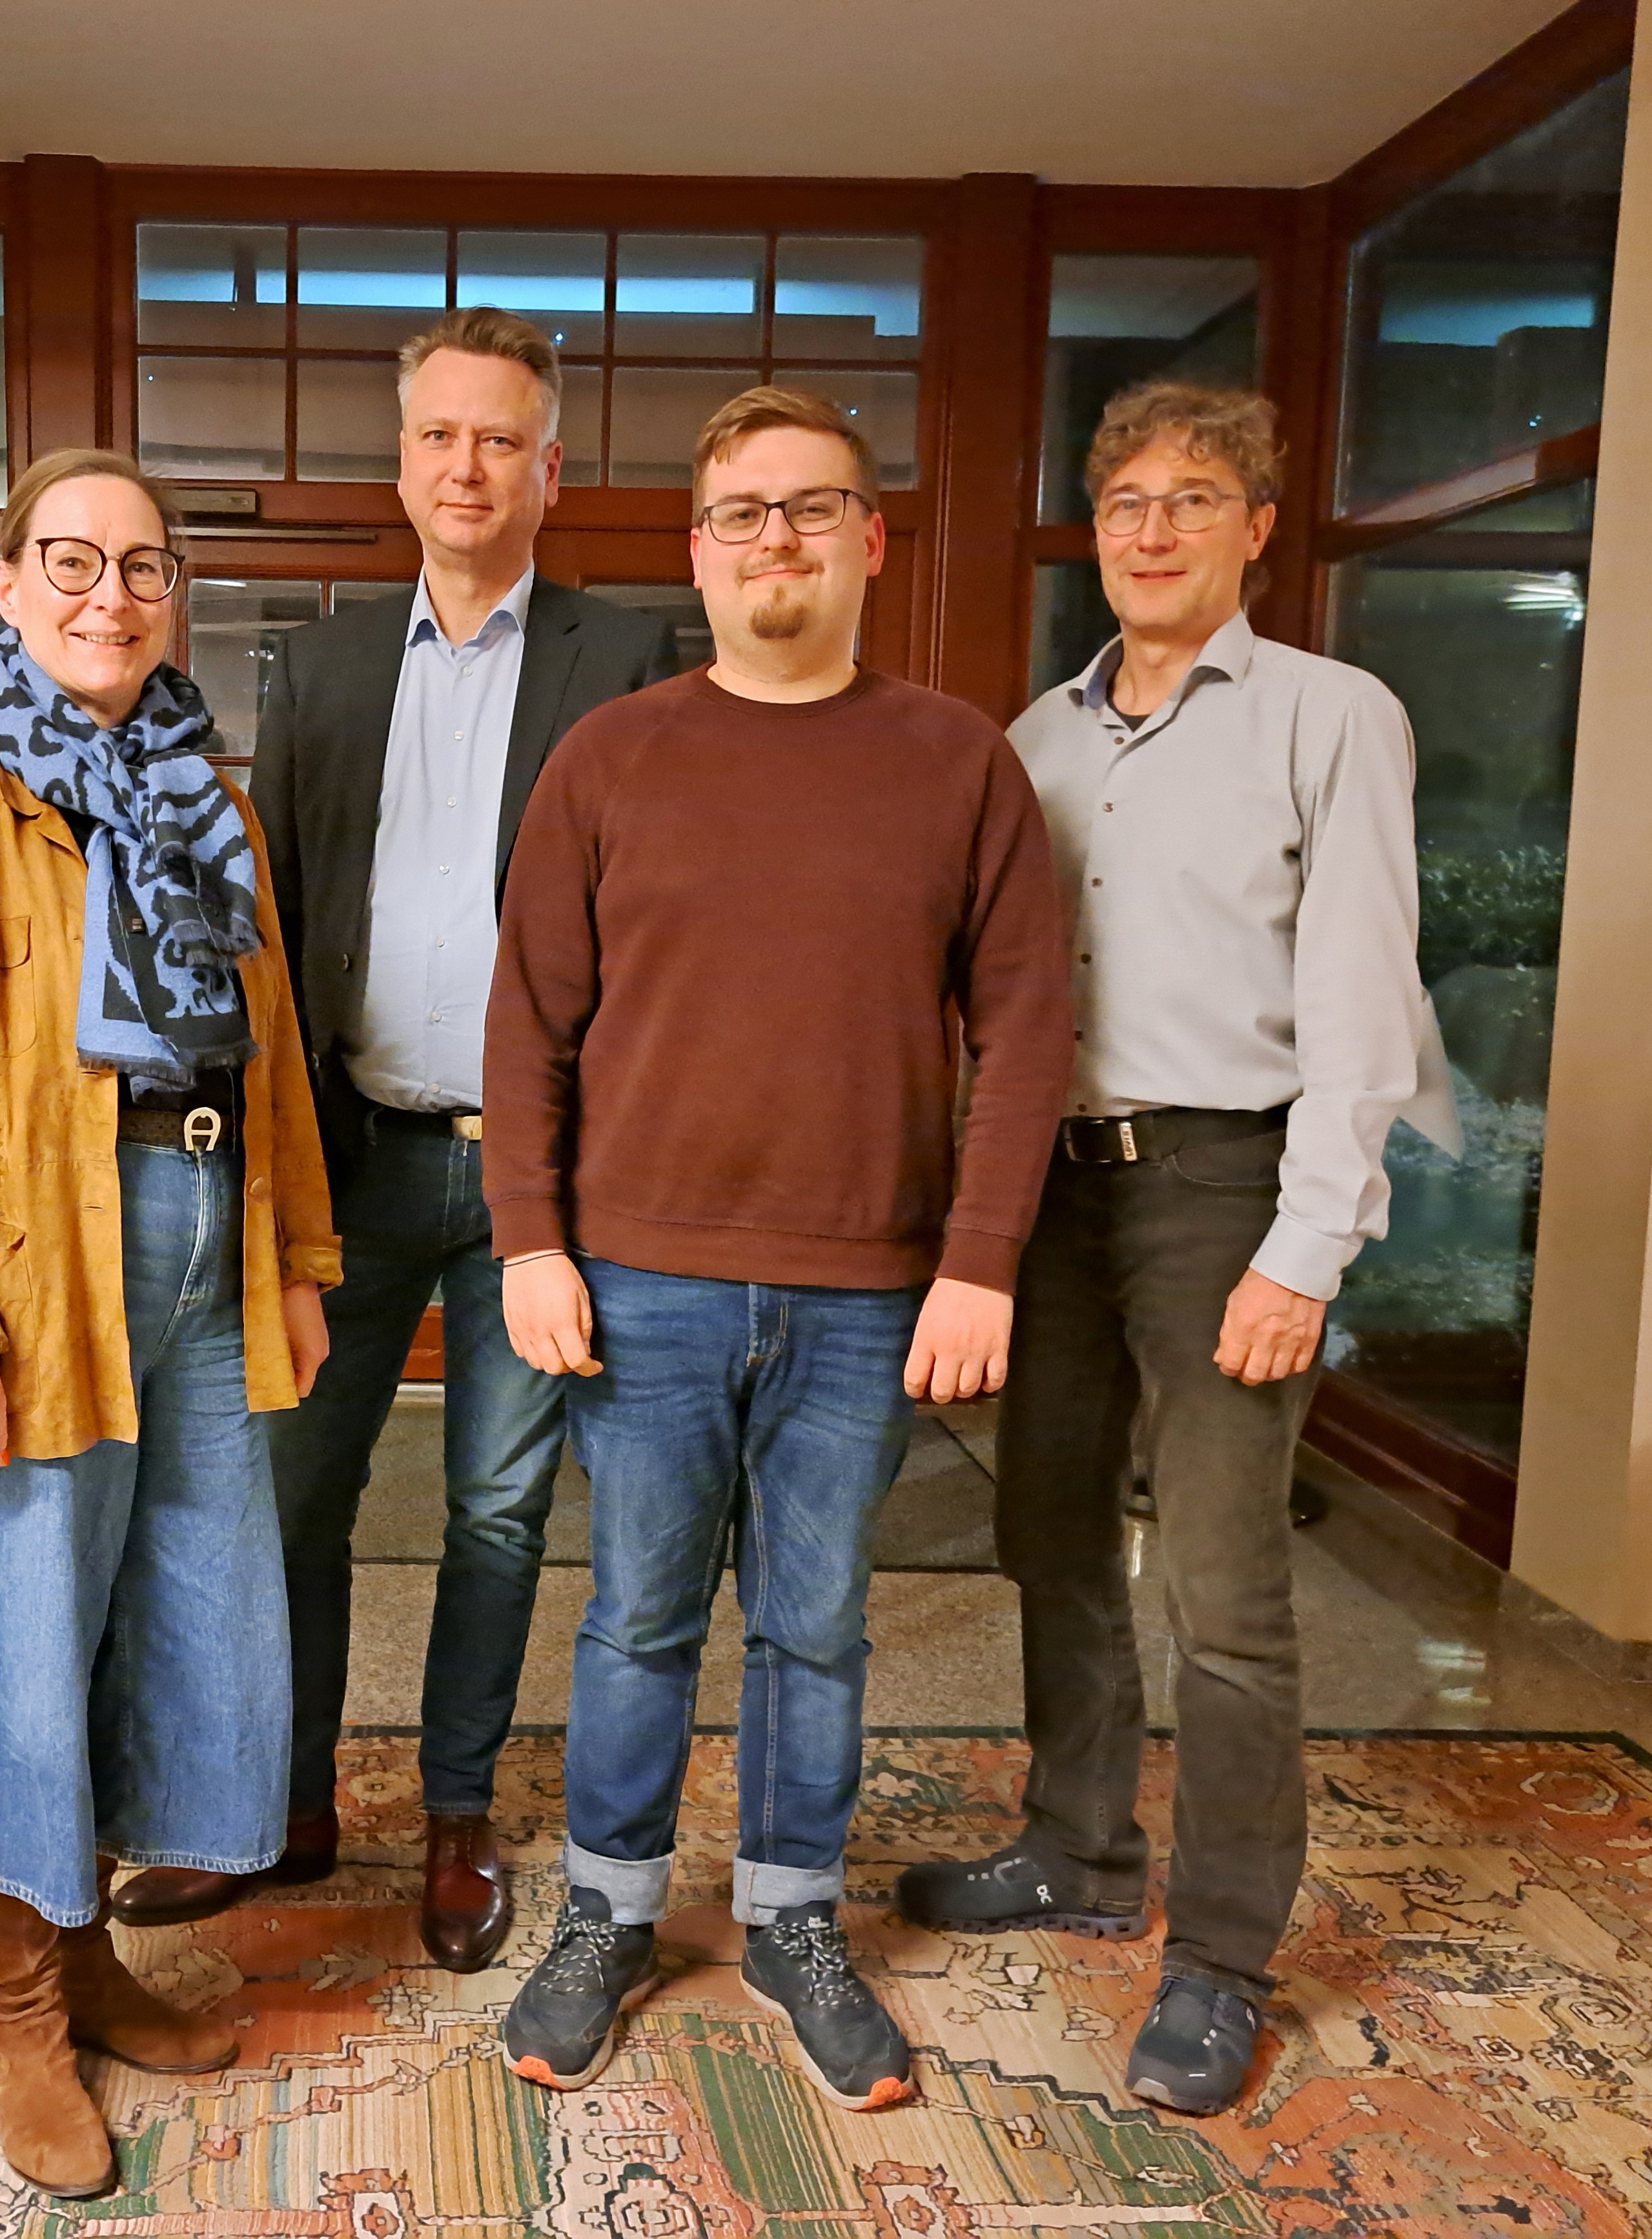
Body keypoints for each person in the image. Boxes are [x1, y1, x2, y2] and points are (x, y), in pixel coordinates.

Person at [482, 388, 1073, 2112]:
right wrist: (529, 1239)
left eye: (811, 507)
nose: (776, 541)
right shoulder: (612, 758)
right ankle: (605, 1914)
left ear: (870, 538)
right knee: (636, 1619)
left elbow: (1025, 1030)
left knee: (814, 1626)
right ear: (697, 551)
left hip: (869, 1286)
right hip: (640, 1279)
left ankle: (792, 1919)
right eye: (741, 512)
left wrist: (980, 1257)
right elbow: (527, 1023)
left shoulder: (959, 763)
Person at [112, 307, 673, 1965]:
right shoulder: (329, 664)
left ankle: (454, 1816)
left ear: (548, 470)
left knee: (498, 1514)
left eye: (499, 438)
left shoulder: (625, 659)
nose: (464, 465)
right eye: (438, 434)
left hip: (534, 1176)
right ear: (402, 461)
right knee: (289, 1491)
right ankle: (278, 1807)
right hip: (348, 1154)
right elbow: (270, 925)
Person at [896, 381, 1427, 2118]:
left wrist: (1307, 1246)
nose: (1152, 528)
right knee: (1049, 1533)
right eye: (1125, 499)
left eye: (1193, 497)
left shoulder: (1330, 717)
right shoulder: (1032, 742)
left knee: (1221, 1591)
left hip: (1224, 1184)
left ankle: (1219, 1954)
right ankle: (1077, 1847)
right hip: (1053, 1188)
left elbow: (1364, 999)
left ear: (1256, 527)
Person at [0, 448, 340, 2201]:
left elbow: (268, 1055)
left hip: (207, 1237)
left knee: (165, 1622)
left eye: (141, 565)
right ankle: (21, 2010)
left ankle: (99, 1951)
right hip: (39, 1260)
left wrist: (299, 1257)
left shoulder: (215, 806)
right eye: (70, 559)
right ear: (7, 582)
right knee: (17, 1631)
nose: (108, 595)